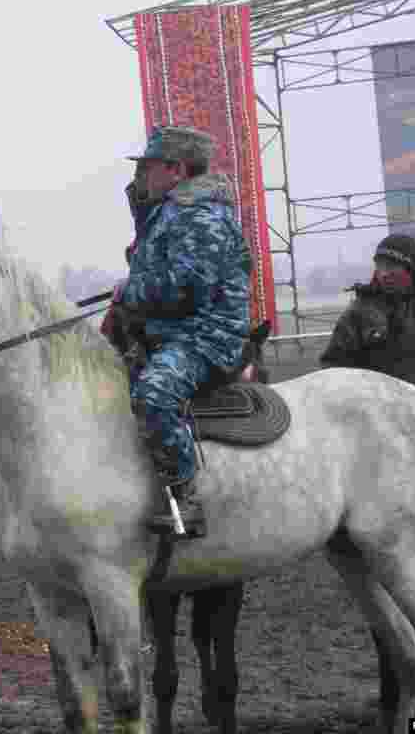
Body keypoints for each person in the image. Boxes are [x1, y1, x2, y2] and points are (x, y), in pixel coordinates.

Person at [104, 126, 252, 537]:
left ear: (177, 170)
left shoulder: (202, 215)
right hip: (168, 331)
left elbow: (186, 285)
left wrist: (129, 291)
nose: (142, 176)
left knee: (153, 394)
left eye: (148, 167)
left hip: (205, 335)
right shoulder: (169, 210)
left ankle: (186, 496)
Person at [320, 233, 415, 392]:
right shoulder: (360, 310)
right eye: (380, 266)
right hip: (379, 411)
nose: (384, 273)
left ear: (411, 268)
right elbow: (333, 366)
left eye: (391, 266)